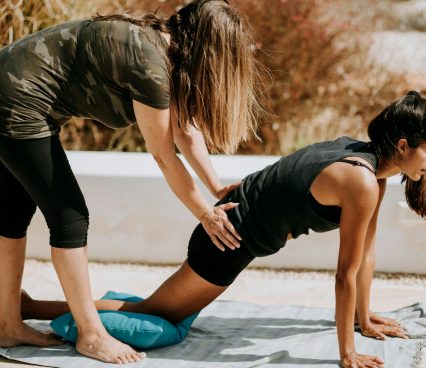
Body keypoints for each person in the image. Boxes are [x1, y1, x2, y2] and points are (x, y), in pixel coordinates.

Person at [21, 91, 426, 368]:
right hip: (226, 239)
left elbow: (365, 256)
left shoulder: (371, 168)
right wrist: (348, 353)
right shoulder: (361, 181)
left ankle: (32, 306)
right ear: (403, 146)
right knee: (153, 315)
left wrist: (364, 320)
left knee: (158, 310)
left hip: (235, 228)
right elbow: (344, 275)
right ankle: (32, 308)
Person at [0, 0, 265, 364]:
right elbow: (163, 155)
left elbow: (184, 130)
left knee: (13, 211)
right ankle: (91, 335)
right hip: (16, 98)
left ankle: (7, 323)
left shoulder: (163, 50)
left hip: (13, 90)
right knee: (69, 217)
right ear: (209, 46)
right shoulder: (151, 65)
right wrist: (206, 214)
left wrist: (217, 188)